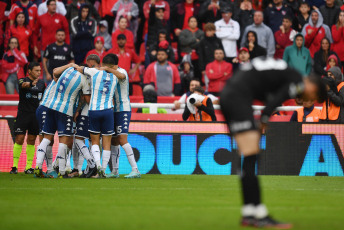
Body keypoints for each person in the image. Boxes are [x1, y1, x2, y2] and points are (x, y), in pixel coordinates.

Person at [220, 57, 327, 229]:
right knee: (251, 157)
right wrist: (265, 117)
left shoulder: (285, 73)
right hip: (237, 98)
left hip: (229, 95)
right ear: (312, 85)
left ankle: (249, 212)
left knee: (248, 157)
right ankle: (259, 214)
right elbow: (279, 97)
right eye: (314, 94)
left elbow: (264, 90)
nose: (310, 97)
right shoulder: (298, 80)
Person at [34, 62, 91, 178]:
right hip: (65, 110)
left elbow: (54, 72)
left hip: (51, 106)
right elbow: (87, 98)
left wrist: (69, 65)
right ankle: (62, 171)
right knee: (63, 140)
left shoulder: (67, 71)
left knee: (46, 138)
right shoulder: (84, 79)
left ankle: (38, 166)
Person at [76, 54, 122, 178]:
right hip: (108, 111)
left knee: (95, 141)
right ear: (113, 66)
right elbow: (122, 75)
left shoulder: (94, 72)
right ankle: (103, 169)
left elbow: (80, 69)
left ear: (102, 64)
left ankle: (97, 166)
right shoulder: (116, 75)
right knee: (106, 142)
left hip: (94, 110)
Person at [10, 62, 45, 174]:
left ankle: (28, 167)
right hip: (23, 114)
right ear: (29, 71)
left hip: (35, 115)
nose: (39, 73)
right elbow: (23, 85)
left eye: (40, 70)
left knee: (31, 140)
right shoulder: (22, 80)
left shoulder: (41, 84)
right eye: (36, 70)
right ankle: (14, 167)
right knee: (19, 139)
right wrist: (31, 84)